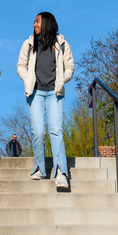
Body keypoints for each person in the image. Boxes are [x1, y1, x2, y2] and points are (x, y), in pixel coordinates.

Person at [16, 12, 74, 189]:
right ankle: (39, 167)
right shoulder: (29, 43)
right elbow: (20, 65)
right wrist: (28, 80)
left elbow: (70, 66)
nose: (35, 24)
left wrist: (61, 80)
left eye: (38, 22)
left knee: (56, 130)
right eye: (34, 21)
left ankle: (61, 172)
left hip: (55, 93)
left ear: (47, 23)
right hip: (35, 92)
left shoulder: (62, 43)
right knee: (38, 131)